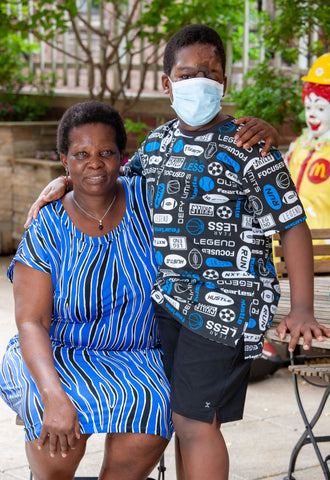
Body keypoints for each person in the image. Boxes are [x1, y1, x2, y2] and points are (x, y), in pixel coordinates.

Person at [24, 24, 330, 480]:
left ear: (224, 82)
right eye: (186, 74)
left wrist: (302, 306)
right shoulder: (157, 143)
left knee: (192, 420)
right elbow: (113, 177)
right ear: (165, 84)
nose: (198, 82)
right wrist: (64, 181)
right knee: (186, 416)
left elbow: (291, 224)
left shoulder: (250, 147)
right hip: (169, 301)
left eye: (210, 73)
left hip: (228, 302)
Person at [0, 101, 172, 480]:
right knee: (61, 442)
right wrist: (53, 396)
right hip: (56, 351)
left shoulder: (149, 199)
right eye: (81, 154)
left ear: (121, 157)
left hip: (135, 353)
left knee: (153, 412)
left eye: (105, 152)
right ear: (64, 158)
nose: (94, 163)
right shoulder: (47, 224)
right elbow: (30, 321)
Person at [285, 53, 330, 233]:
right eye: (308, 107)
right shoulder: (298, 146)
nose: (311, 114)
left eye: (320, 108)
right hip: (291, 241)